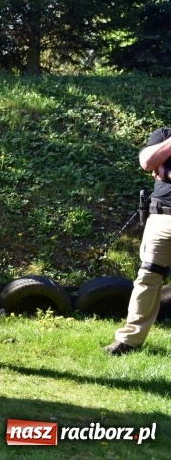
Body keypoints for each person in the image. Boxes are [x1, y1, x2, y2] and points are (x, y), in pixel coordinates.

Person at [105, 127, 171, 355]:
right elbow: (147, 161)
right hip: (162, 217)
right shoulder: (164, 134)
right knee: (147, 277)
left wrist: (167, 172)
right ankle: (129, 340)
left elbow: (160, 167)